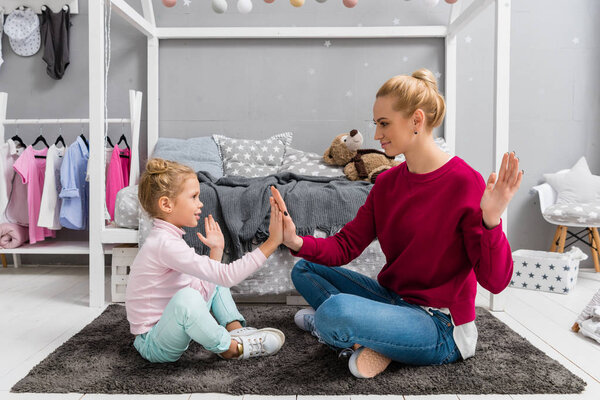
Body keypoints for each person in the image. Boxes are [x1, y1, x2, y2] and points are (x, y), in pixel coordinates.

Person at [270, 68, 522, 378]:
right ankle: (377, 339)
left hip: (440, 325)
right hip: (393, 300)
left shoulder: (464, 182)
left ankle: (349, 332)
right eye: (376, 124)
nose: (376, 135)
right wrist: (296, 241)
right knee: (304, 268)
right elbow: (346, 245)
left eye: (384, 124)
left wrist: (491, 221)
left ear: (417, 121)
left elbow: (495, 282)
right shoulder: (387, 183)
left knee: (335, 312)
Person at [126, 158, 285, 363]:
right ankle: (230, 348)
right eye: (193, 197)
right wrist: (272, 242)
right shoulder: (164, 244)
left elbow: (215, 277)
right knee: (189, 297)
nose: (200, 203)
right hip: (154, 343)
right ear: (166, 204)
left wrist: (216, 251)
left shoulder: (169, 239)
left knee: (211, 275)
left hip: (172, 327)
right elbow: (227, 277)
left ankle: (236, 331)